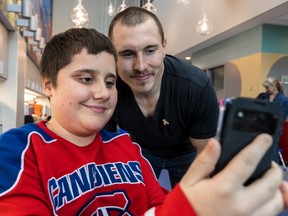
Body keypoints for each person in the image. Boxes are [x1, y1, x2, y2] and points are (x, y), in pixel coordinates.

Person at [0, 27, 288, 216]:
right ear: (48, 84)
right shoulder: (18, 152)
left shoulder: (125, 145)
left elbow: (160, 206)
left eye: (110, 82)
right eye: (86, 79)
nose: (102, 93)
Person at [106, 6, 219, 187]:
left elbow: (204, 152)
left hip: (186, 151)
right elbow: (105, 147)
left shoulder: (196, 86)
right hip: (143, 150)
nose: (141, 66)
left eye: (150, 50)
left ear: (164, 46)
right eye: (127, 54)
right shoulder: (108, 89)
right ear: (112, 54)